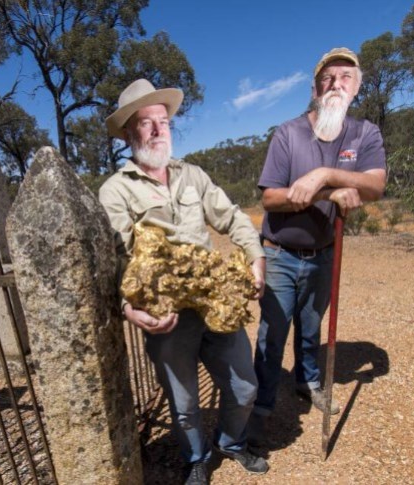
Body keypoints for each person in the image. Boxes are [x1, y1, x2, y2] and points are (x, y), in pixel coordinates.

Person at [99, 79, 269, 485]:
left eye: (164, 121)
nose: (159, 129)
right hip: (168, 319)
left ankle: (231, 442)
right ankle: (196, 457)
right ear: (128, 133)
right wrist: (129, 309)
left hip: (216, 304)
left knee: (244, 387)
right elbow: (115, 262)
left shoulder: (192, 175)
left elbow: (230, 217)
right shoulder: (115, 191)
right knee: (184, 403)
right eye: (146, 123)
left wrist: (256, 255)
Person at [251, 48, 387, 428]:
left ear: (357, 87)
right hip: (280, 252)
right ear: (314, 88)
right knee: (273, 331)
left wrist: (325, 174)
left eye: (346, 77)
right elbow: (270, 198)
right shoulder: (288, 133)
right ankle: (260, 401)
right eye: (328, 78)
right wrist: (327, 192)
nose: (336, 84)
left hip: (324, 252)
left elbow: (375, 185)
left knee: (310, 328)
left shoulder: (365, 133)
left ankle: (307, 381)